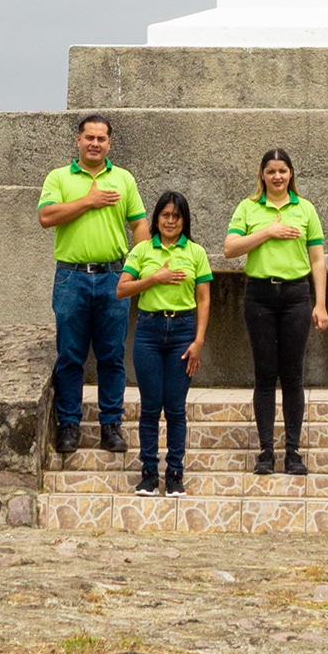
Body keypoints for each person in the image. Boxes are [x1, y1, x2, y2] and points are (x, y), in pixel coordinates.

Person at [37, 112, 148, 456]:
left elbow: (140, 227)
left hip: (114, 276)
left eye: (101, 138)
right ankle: (68, 425)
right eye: (89, 137)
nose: (95, 143)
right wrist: (89, 200)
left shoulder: (124, 179)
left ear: (109, 143)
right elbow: (46, 217)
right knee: (70, 354)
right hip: (72, 276)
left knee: (112, 355)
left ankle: (111, 425)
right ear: (78, 140)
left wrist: (142, 268)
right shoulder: (58, 178)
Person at [222, 147, 328, 475]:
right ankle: (266, 451)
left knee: (293, 376)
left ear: (291, 174)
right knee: (265, 375)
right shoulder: (248, 207)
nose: (277, 176)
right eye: (271, 171)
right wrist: (268, 231)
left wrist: (320, 303)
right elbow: (229, 249)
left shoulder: (305, 209)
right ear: (262, 175)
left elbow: (317, 259)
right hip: (260, 296)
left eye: (283, 171)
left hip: (296, 295)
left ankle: (293, 452)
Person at [115, 191, 212, 495]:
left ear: (185, 221)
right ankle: (147, 472)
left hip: (183, 330)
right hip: (149, 331)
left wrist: (198, 341)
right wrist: (154, 278)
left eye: (177, 216)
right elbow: (122, 290)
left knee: (175, 408)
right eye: (165, 215)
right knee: (150, 406)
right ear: (156, 218)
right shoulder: (143, 250)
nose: (170, 221)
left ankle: (174, 473)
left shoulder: (196, 252)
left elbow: (204, 298)